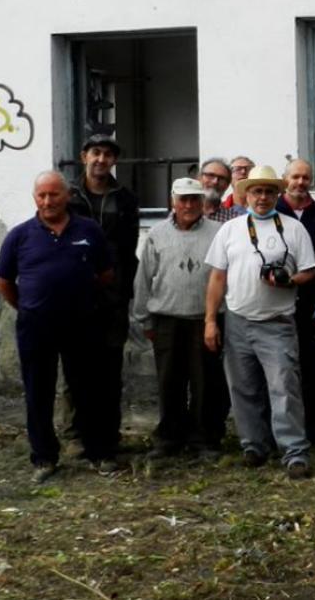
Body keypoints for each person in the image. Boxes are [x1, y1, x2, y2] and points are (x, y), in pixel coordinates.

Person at [0, 171, 114, 483]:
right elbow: (3, 281)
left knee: (89, 389)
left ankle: (98, 452)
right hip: (36, 327)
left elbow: (105, 273)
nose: (47, 201)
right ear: (35, 198)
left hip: (82, 324)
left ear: (67, 196)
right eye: (42, 195)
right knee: (38, 392)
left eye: (54, 195)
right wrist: (28, 306)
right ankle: (44, 457)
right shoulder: (19, 235)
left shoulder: (89, 230)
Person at [204, 165, 315, 479]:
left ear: (276, 194)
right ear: (246, 195)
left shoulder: (293, 228)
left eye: (269, 191)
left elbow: (310, 271)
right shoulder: (230, 229)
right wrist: (210, 321)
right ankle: (254, 444)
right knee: (243, 388)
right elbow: (216, 277)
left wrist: (289, 280)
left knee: (284, 388)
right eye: (256, 191)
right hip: (238, 321)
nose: (263, 197)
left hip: (277, 322)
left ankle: (295, 451)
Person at [132, 178, 225, 459]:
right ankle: (169, 438)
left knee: (205, 382)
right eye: (183, 199)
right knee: (169, 381)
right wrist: (143, 318)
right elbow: (144, 279)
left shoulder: (219, 232)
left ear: (202, 202)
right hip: (166, 319)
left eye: (194, 199)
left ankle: (203, 439)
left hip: (205, 319)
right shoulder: (156, 234)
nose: (188, 205)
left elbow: (224, 276)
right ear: (173, 200)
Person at [66, 133, 140, 469]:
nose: (101, 159)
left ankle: (109, 439)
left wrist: (124, 289)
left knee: (110, 369)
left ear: (113, 161)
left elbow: (129, 248)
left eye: (108, 155)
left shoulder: (124, 199)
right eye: (95, 153)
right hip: (74, 294)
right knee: (74, 368)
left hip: (112, 296)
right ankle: (75, 436)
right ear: (84, 156)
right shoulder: (67, 196)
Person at [275, 159, 315, 446]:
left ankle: (314, 430)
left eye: (305, 178)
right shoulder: (272, 213)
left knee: (312, 371)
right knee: (280, 371)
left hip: (314, 304)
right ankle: (280, 430)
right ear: (285, 179)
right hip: (276, 303)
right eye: (295, 177)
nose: (300, 182)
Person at [199, 157, 244, 223]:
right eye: (210, 175)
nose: (215, 181)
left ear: (227, 185)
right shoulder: (183, 214)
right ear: (199, 178)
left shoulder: (235, 219)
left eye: (221, 178)